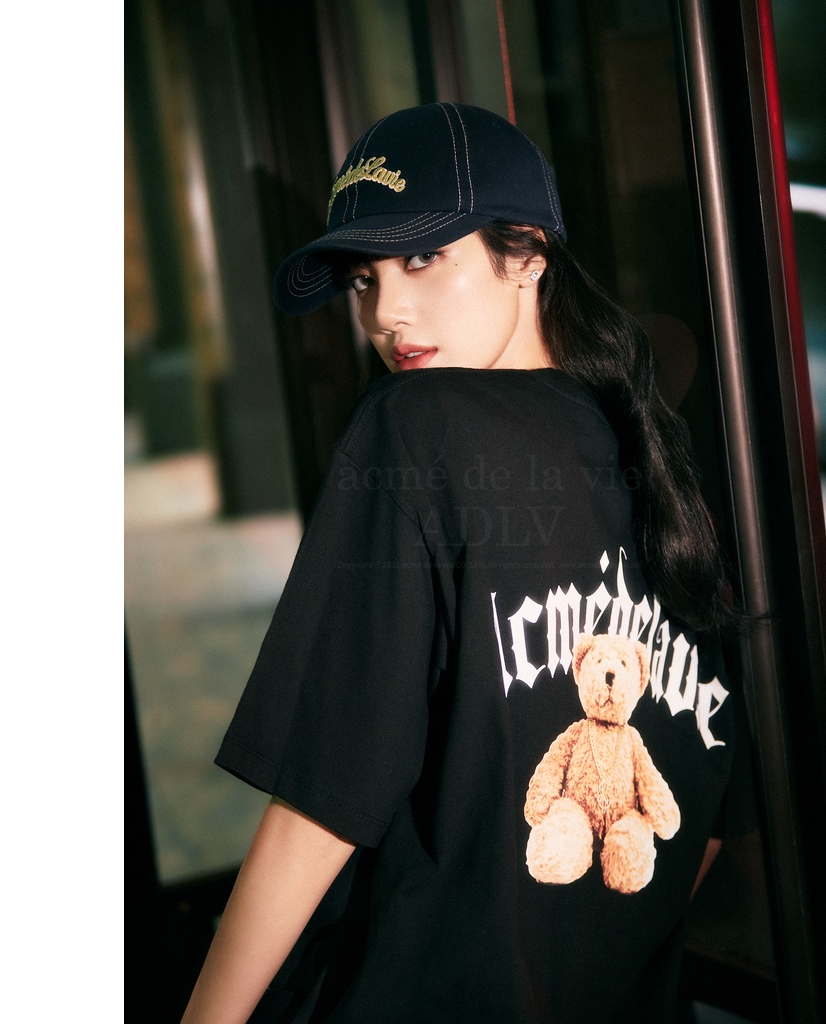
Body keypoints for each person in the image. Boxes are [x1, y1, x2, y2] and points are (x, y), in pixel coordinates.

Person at [181, 102, 740, 1024]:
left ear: (528, 254)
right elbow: (713, 821)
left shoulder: (413, 428)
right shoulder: (664, 454)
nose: (385, 313)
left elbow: (323, 801)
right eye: (362, 280)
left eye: (423, 258)